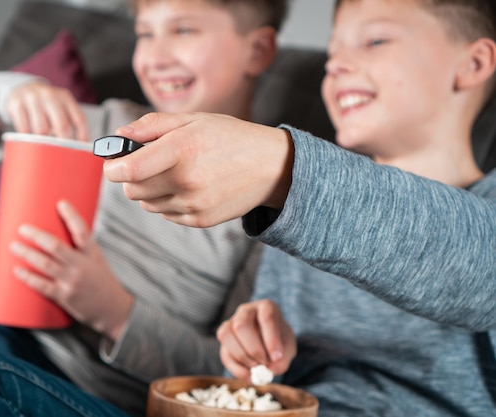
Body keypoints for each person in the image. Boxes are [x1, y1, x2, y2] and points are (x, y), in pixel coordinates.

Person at [0, 1, 287, 416]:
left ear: (258, 51)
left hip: (88, 387)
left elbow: (231, 374)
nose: (155, 57)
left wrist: (114, 313)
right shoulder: (102, 126)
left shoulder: (269, 196)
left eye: (183, 31)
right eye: (145, 33)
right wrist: (10, 94)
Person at [102, 0, 496, 415]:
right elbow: (255, 385)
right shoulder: (286, 222)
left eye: (375, 41)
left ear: (472, 64)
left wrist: (286, 170)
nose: (337, 64)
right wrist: (259, 351)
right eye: (333, 51)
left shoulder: (293, 193)